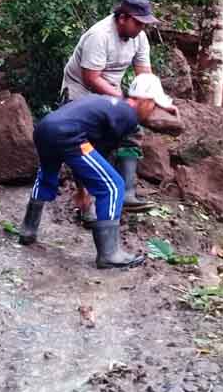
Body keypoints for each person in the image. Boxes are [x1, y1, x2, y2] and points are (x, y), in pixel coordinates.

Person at [17, 74, 175, 269]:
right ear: (145, 101)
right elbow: (95, 156)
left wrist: (82, 191)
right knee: (113, 186)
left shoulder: (110, 104)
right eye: (154, 105)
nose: (152, 111)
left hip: (45, 129)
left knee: (47, 176)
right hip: (67, 134)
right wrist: (85, 189)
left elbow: (85, 158)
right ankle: (109, 254)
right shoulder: (127, 116)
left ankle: (28, 229)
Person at [60, 0, 159, 221]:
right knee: (83, 145)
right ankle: (85, 201)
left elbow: (144, 71)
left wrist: (148, 97)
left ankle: (127, 193)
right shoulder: (100, 35)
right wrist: (124, 99)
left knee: (132, 130)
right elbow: (91, 78)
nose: (142, 27)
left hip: (110, 89)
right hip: (80, 90)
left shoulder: (139, 37)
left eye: (144, 23)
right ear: (122, 18)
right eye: (138, 22)